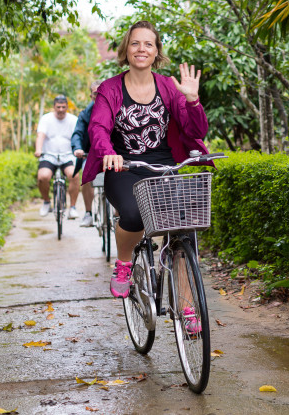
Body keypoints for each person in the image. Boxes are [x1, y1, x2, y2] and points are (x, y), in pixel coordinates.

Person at [81, 20, 209, 299]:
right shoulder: (110, 88)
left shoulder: (168, 87)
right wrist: (109, 154)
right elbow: (98, 127)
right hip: (125, 166)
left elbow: (196, 131)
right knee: (134, 215)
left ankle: (188, 306)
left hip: (165, 166)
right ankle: (124, 263)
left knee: (182, 230)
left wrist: (192, 101)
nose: (141, 49)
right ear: (126, 50)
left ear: (156, 52)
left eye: (148, 44)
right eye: (135, 43)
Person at [35, 94, 80, 219]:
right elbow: (40, 135)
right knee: (43, 177)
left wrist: (78, 150)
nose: (61, 109)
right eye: (58, 107)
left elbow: (77, 137)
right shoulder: (46, 119)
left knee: (74, 175)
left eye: (63, 107)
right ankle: (46, 202)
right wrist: (38, 150)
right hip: (49, 155)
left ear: (67, 107)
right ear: (54, 107)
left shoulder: (73, 120)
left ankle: (72, 207)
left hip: (68, 156)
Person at [72, 81, 101, 227]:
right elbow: (78, 133)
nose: (100, 95)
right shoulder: (85, 114)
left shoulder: (117, 109)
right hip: (90, 154)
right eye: (96, 93)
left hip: (112, 154)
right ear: (91, 96)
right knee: (87, 175)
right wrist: (77, 148)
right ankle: (88, 213)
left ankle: (118, 212)